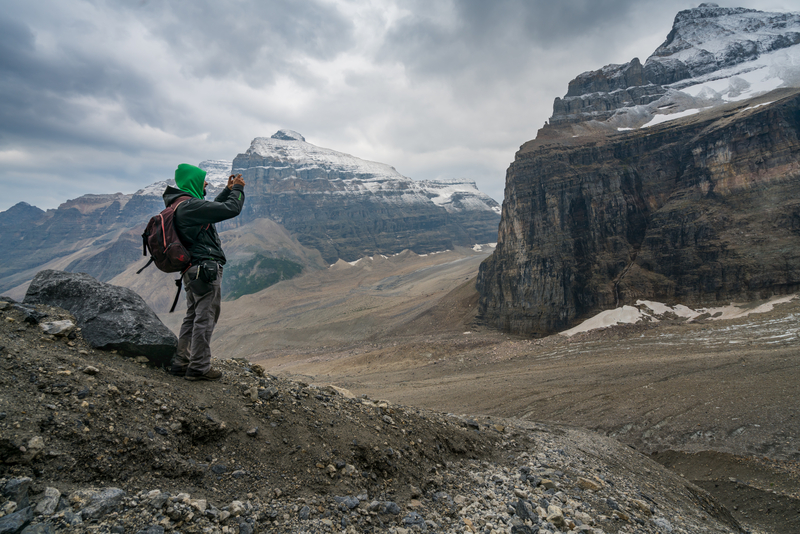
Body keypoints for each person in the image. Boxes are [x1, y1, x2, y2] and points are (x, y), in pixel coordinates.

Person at [162, 163, 246, 380]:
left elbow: (209, 212)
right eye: (202, 180)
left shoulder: (180, 205)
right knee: (205, 318)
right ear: (193, 182)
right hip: (206, 270)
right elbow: (231, 209)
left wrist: (227, 191)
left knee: (193, 316)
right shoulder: (189, 206)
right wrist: (237, 190)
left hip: (193, 271)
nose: (206, 182)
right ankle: (199, 367)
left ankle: (182, 362)